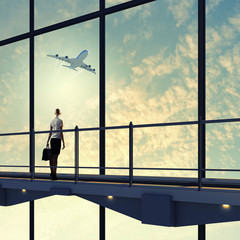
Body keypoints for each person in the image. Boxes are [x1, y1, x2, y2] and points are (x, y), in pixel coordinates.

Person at [46, 108, 65, 180]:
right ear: (60, 113)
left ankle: (52, 172)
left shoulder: (52, 121)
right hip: (57, 139)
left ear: (55, 113)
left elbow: (50, 132)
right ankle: (54, 174)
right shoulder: (60, 121)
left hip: (52, 139)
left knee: (52, 156)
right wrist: (63, 142)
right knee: (55, 157)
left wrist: (47, 141)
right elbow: (61, 132)